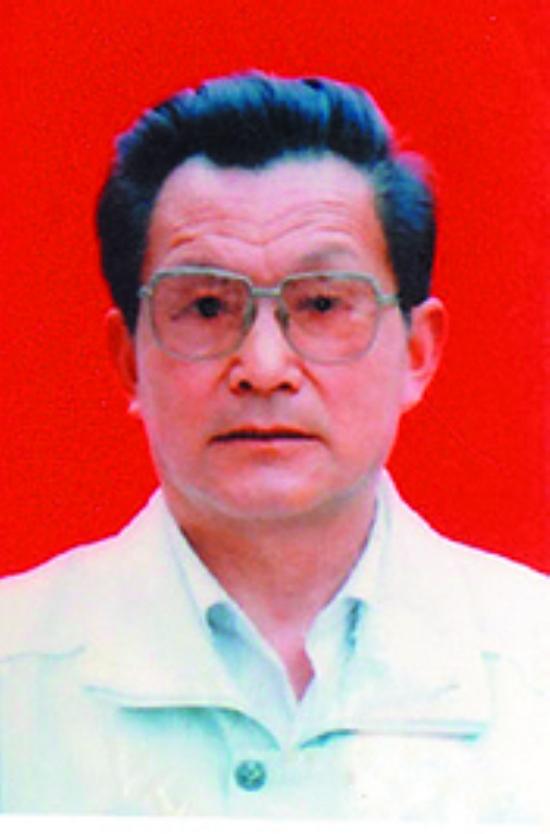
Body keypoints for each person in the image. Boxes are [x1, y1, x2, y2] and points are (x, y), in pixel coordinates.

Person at [0, 72, 548, 822]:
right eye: (205, 306)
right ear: (128, 360)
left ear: (418, 353)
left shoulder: (532, 665)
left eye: (322, 303)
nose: (262, 368)